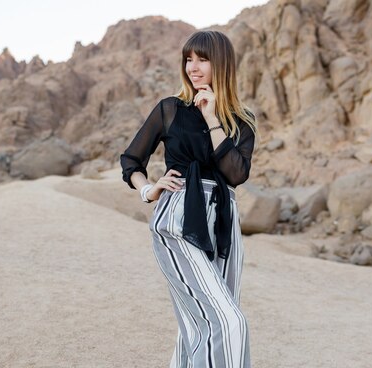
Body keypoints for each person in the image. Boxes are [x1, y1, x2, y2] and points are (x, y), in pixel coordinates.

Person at [120, 30, 258, 368]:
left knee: (199, 325)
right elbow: (130, 161)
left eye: (202, 59)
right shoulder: (170, 109)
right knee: (227, 322)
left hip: (224, 226)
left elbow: (236, 174)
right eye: (188, 59)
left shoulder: (242, 122)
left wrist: (212, 117)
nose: (192, 67)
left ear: (222, 64)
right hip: (178, 218)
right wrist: (149, 190)